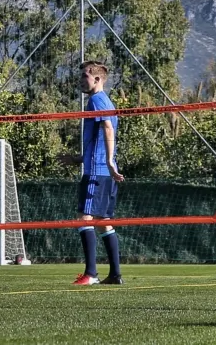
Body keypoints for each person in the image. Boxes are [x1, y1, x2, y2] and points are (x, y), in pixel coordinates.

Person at [72, 60, 124, 286]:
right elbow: (98, 139)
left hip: (98, 172)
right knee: (104, 223)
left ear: (97, 79)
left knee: (84, 219)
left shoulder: (96, 100)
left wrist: (110, 161)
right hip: (102, 170)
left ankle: (91, 274)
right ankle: (115, 275)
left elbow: (107, 128)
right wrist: (79, 158)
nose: (81, 80)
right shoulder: (105, 101)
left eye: (84, 76)